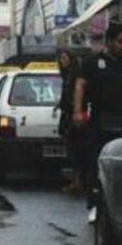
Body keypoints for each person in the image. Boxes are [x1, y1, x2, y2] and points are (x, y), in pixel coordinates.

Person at [72, 24, 122, 223]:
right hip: (99, 121)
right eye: (120, 42)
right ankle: (95, 204)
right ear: (109, 42)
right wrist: (78, 111)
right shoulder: (94, 63)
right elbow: (80, 84)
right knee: (96, 164)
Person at [55, 49, 83, 194]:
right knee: (72, 149)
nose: (62, 61)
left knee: (76, 149)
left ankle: (78, 180)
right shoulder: (66, 76)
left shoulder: (75, 75)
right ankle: (76, 180)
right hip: (67, 116)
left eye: (64, 58)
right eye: (60, 58)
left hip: (74, 117)